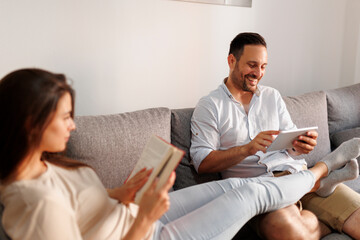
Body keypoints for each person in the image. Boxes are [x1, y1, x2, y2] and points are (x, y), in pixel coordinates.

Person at [0, 68, 352, 240]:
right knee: (254, 191)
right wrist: (142, 219)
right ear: (32, 123)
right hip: (146, 234)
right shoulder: (35, 205)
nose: (73, 126)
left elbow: (75, 204)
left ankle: (316, 177)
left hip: (133, 216)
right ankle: (321, 170)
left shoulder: (42, 164)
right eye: (65, 117)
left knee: (238, 189)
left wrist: (123, 193)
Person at [190, 32, 360, 239]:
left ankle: (318, 182)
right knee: (289, 232)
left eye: (263, 67)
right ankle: (323, 179)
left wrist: (300, 145)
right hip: (259, 189)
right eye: (252, 65)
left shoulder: (272, 96)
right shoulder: (210, 106)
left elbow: (290, 143)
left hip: (296, 173)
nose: (258, 73)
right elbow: (202, 162)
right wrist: (247, 149)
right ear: (231, 60)